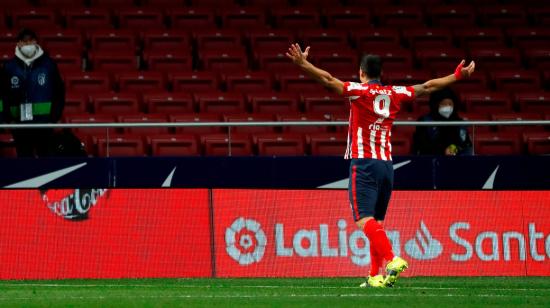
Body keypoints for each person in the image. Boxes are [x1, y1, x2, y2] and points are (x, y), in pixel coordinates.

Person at [286, 43, 475, 288]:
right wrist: (457, 76)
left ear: (361, 73)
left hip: (364, 163)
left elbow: (329, 79)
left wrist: (304, 64)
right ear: (380, 74)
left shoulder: (358, 91)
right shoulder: (394, 93)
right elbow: (428, 86)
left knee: (363, 221)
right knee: (377, 222)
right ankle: (374, 276)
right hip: (387, 166)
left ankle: (392, 259)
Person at [1, 28, 65, 157]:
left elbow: (59, 92)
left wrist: (54, 118)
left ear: (36, 42)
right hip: (19, 125)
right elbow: (3, 95)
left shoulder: (49, 65)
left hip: (44, 124)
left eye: (30, 41)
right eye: (24, 42)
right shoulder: (9, 67)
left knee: (45, 160)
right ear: (18, 44)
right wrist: (8, 119)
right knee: (24, 160)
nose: (27, 45)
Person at [413, 88, 473, 156]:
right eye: (443, 104)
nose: (447, 107)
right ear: (436, 105)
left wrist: (454, 148)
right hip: (431, 161)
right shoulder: (425, 121)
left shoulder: (459, 123)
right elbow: (421, 145)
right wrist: (442, 150)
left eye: (450, 104)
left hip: (456, 161)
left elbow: (466, 145)